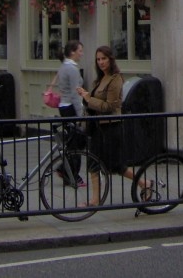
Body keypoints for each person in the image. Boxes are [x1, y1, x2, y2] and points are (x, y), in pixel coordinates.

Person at [76, 45, 151, 204]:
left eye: (104, 58)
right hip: (97, 126)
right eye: (98, 59)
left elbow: (109, 106)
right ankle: (95, 200)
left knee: (116, 166)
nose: (101, 62)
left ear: (111, 59)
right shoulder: (100, 78)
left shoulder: (115, 79)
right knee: (93, 163)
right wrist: (86, 97)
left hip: (111, 126)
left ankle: (145, 183)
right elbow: (96, 103)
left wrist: (88, 98)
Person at [54, 40, 85, 187]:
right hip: (71, 107)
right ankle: (72, 174)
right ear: (72, 52)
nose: (81, 53)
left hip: (64, 106)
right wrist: (80, 115)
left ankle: (64, 169)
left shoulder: (63, 67)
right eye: (80, 50)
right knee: (76, 143)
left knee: (72, 141)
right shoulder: (72, 69)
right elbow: (75, 93)